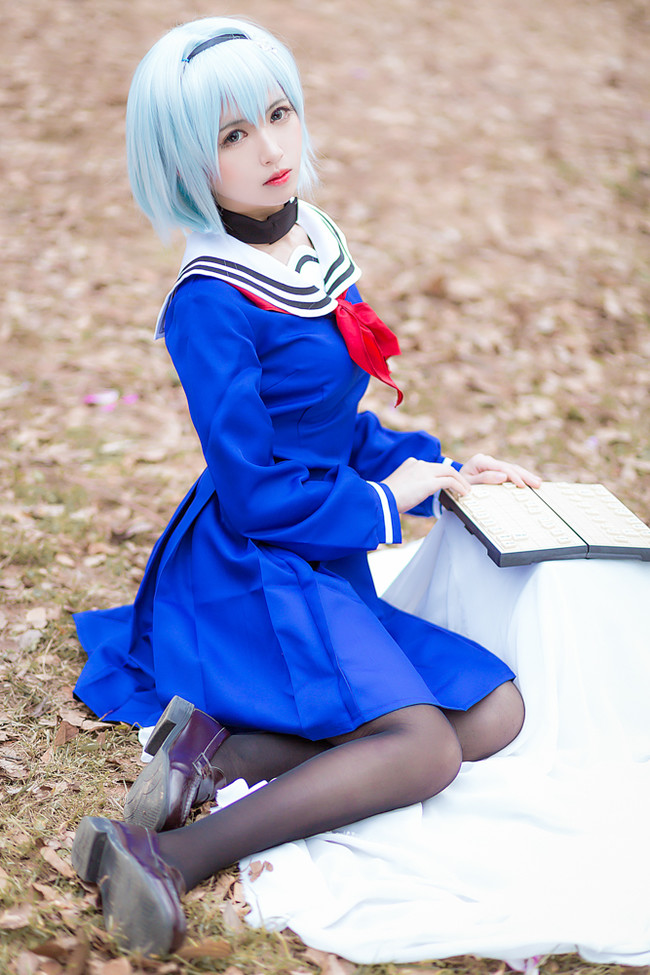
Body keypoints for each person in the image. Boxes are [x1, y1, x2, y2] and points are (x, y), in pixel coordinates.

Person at [71, 17, 541, 956]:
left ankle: (220, 753)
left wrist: (444, 472)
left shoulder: (311, 239)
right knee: (425, 748)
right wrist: (384, 505)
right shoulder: (209, 298)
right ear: (185, 162)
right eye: (231, 135)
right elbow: (253, 489)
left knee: (493, 711)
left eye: (278, 114)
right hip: (258, 561)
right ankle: (167, 853)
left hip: (321, 545)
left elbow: (335, 423)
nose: (269, 149)